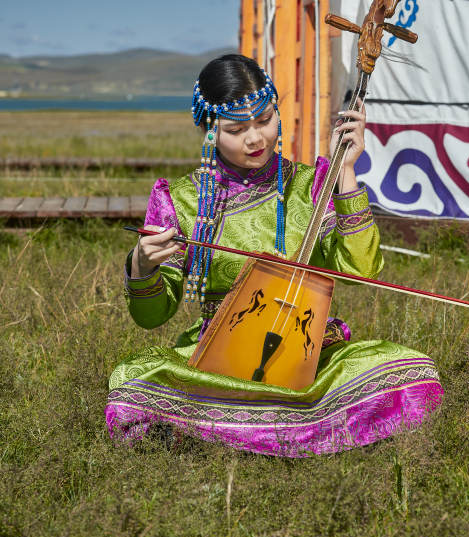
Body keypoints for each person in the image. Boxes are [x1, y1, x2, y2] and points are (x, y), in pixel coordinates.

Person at [106, 54, 442, 456]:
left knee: (414, 374)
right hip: (216, 357)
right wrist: (141, 266)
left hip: (310, 352)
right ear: (208, 131)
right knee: (130, 387)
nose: (255, 138)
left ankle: (226, 431)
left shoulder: (311, 184)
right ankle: (306, 425)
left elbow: (361, 267)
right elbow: (153, 316)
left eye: (264, 120)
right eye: (236, 129)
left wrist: (347, 172)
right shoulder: (180, 200)